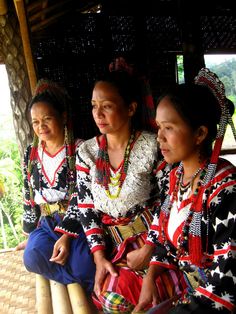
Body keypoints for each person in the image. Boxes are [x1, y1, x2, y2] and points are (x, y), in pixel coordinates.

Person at [56, 69, 183, 313]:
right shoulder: (87, 153)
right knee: (107, 294)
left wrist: (149, 248)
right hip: (113, 244)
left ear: (131, 108)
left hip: (154, 241)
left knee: (122, 298)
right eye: (94, 106)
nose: (98, 114)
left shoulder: (152, 147)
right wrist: (99, 256)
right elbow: (86, 207)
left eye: (107, 106)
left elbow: (170, 199)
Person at [133, 68, 236, 313]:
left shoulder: (226, 191)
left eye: (168, 127)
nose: (159, 137)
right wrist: (151, 275)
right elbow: (170, 241)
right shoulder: (175, 176)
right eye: (158, 127)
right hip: (191, 293)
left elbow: (226, 285)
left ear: (200, 133)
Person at [15, 79, 95, 293]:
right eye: (35, 122)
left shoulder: (80, 150)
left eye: (47, 119)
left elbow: (84, 195)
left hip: (76, 224)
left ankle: (76, 275)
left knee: (86, 265)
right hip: (46, 222)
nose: (41, 127)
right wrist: (30, 234)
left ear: (64, 117)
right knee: (31, 258)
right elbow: (28, 194)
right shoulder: (31, 155)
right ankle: (75, 277)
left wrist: (67, 236)